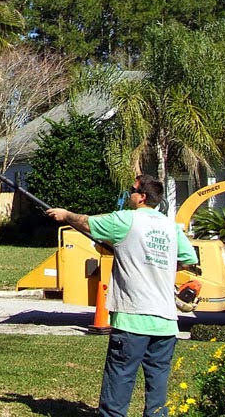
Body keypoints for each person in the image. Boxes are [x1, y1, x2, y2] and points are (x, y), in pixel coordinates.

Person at [45, 174, 198, 417]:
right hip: (167, 323)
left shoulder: (127, 220)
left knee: (119, 381)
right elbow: (190, 260)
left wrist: (65, 215)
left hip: (132, 319)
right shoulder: (170, 226)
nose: (129, 193)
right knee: (157, 388)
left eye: (132, 190)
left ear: (142, 197)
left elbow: (87, 224)